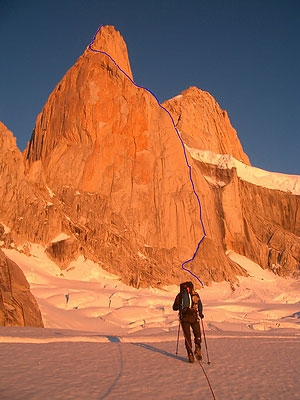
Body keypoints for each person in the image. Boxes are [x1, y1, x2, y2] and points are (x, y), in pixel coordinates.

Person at [173, 281, 204, 363]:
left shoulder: (180, 295)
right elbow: (200, 305)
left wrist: (180, 307)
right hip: (194, 317)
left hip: (184, 318)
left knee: (187, 337)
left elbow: (174, 307)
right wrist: (200, 314)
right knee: (197, 334)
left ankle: (190, 354)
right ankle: (198, 346)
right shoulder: (195, 294)